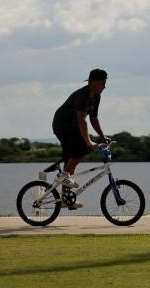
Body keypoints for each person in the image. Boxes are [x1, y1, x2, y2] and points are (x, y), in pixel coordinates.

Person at [52, 68, 110, 209]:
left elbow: (94, 118)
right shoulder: (82, 95)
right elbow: (82, 120)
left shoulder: (96, 96)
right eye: (102, 83)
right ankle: (63, 176)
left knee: (72, 161)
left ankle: (66, 199)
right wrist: (88, 141)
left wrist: (102, 137)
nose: (104, 86)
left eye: (105, 83)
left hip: (73, 127)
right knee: (83, 149)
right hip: (63, 125)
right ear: (93, 82)